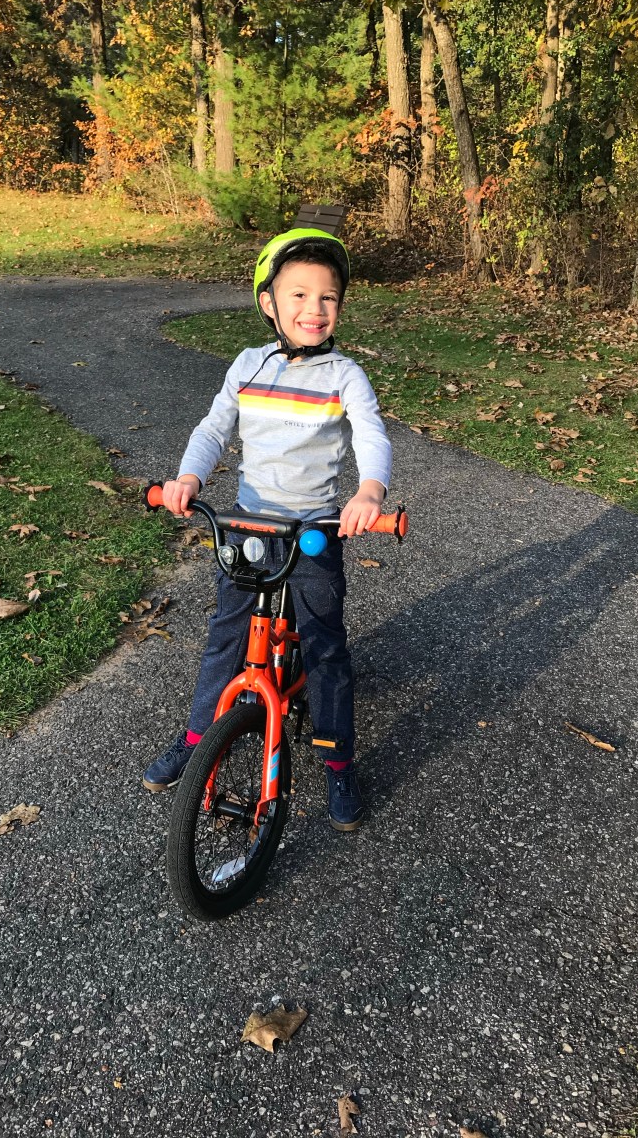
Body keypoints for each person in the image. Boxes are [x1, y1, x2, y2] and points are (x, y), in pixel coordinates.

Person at [141, 228, 392, 831]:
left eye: (328, 297)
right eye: (298, 294)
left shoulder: (345, 375)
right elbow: (213, 427)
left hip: (313, 528)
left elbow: (371, 434)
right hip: (250, 525)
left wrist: (369, 492)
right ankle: (199, 736)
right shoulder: (248, 365)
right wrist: (188, 478)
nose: (314, 308)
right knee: (226, 636)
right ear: (268, 303)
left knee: (325, 645)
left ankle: (338, 761)